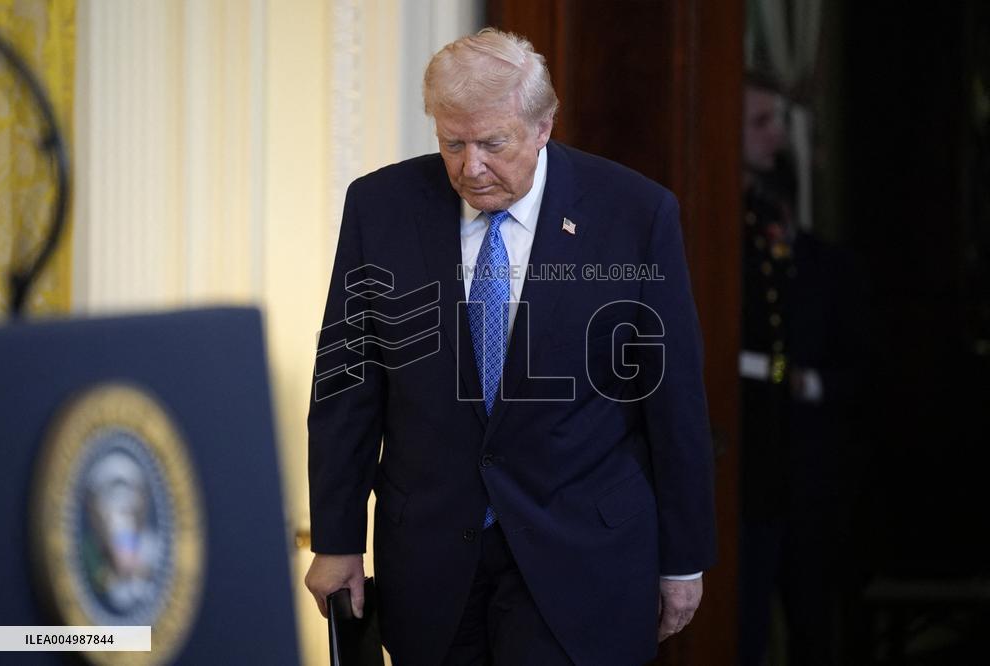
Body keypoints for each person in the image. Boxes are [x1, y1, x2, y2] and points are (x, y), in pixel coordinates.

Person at [305, 28, 716, 665]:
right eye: (452, 143)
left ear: (544, 125)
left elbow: (673, 399)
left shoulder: (634, 214)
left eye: (493, 143)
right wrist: (336, 539)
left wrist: (684, 558)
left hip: (582, 556)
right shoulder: (379, 207)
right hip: (433, 561)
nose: (471, 166)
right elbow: (347, 383)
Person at [739, 79, 868, 666]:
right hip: (749, 467)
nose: (775, 136)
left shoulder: (825, 266)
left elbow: (856, 365)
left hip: (809, 473)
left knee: (813, 623)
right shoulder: (730, 241)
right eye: (761, 121)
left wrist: (802, 381)